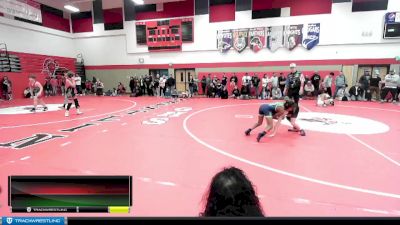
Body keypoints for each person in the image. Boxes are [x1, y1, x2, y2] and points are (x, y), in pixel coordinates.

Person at [283, 63, 306, 137]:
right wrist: (285, 89)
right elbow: (287, 83)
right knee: (287, 104)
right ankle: (294, 125)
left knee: (295, 105)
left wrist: (301, 88)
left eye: (293, 67)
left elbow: (302, 82)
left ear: (295, 67)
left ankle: (296, 124)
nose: (292, 69)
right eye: (291, 68)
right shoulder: (289, 75)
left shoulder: (300, 74)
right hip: (290, 91)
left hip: (296, 91)